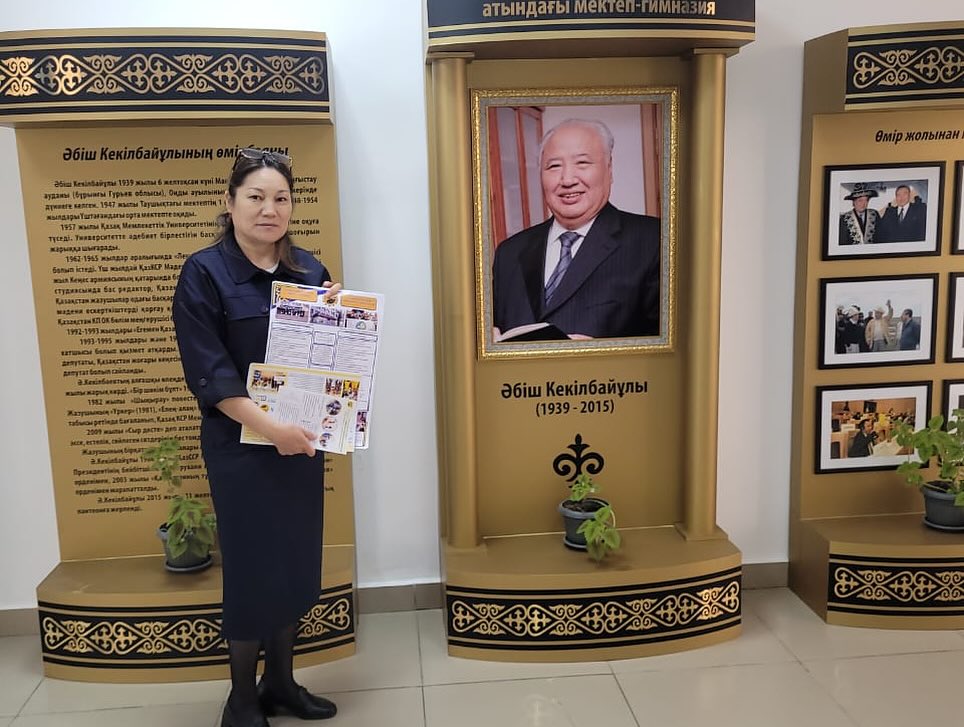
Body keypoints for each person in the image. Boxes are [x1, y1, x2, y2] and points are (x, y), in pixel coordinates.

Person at [172, 148, 339, 727]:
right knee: (250, 568)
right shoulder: (204, 273)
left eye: (281, 198)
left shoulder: (309, 270)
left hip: (298, 444)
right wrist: (271, 429)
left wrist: (341, 320)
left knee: (294, 562)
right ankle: (242, 697)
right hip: (240, 450)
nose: (270, 209)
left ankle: (282, 684)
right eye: (256, 197)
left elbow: (327, 364)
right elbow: (209, 372)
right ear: (230, 202)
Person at [491, 118, 660, 340]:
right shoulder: (509, 253)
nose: (567, 179)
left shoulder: (654, 241)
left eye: (582, 163)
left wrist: (604, 353)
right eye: (554, 166)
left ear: (609, 169)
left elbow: (676, 346)